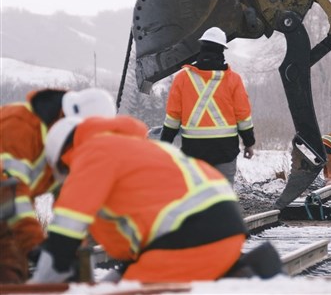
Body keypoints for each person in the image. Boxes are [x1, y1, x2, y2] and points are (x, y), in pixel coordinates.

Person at [29, 115, 249, 283]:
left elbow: (67, 229)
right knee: (116, 283)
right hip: (222, 230)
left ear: (62, 157)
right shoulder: (135, 148)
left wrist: (45, 273)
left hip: (187, 240)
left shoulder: (92, 153)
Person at [0, 88, 116, 283]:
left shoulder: (63, 146)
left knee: (15, 277)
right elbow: (10, 194)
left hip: (7, 217)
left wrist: (72, 251)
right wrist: (35, 246)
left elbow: (69, 206)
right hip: (6, 206)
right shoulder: (18, 125)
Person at [161, 27, 255, 185]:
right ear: (222, 49)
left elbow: (173, 117)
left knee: (197, 200)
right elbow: (242, 116)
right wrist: (249, 143)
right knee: (224, 200)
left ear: (201, 46)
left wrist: (165, 145)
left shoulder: (182, 79)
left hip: (193, 151)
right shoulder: (233, 80)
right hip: (225, 151)